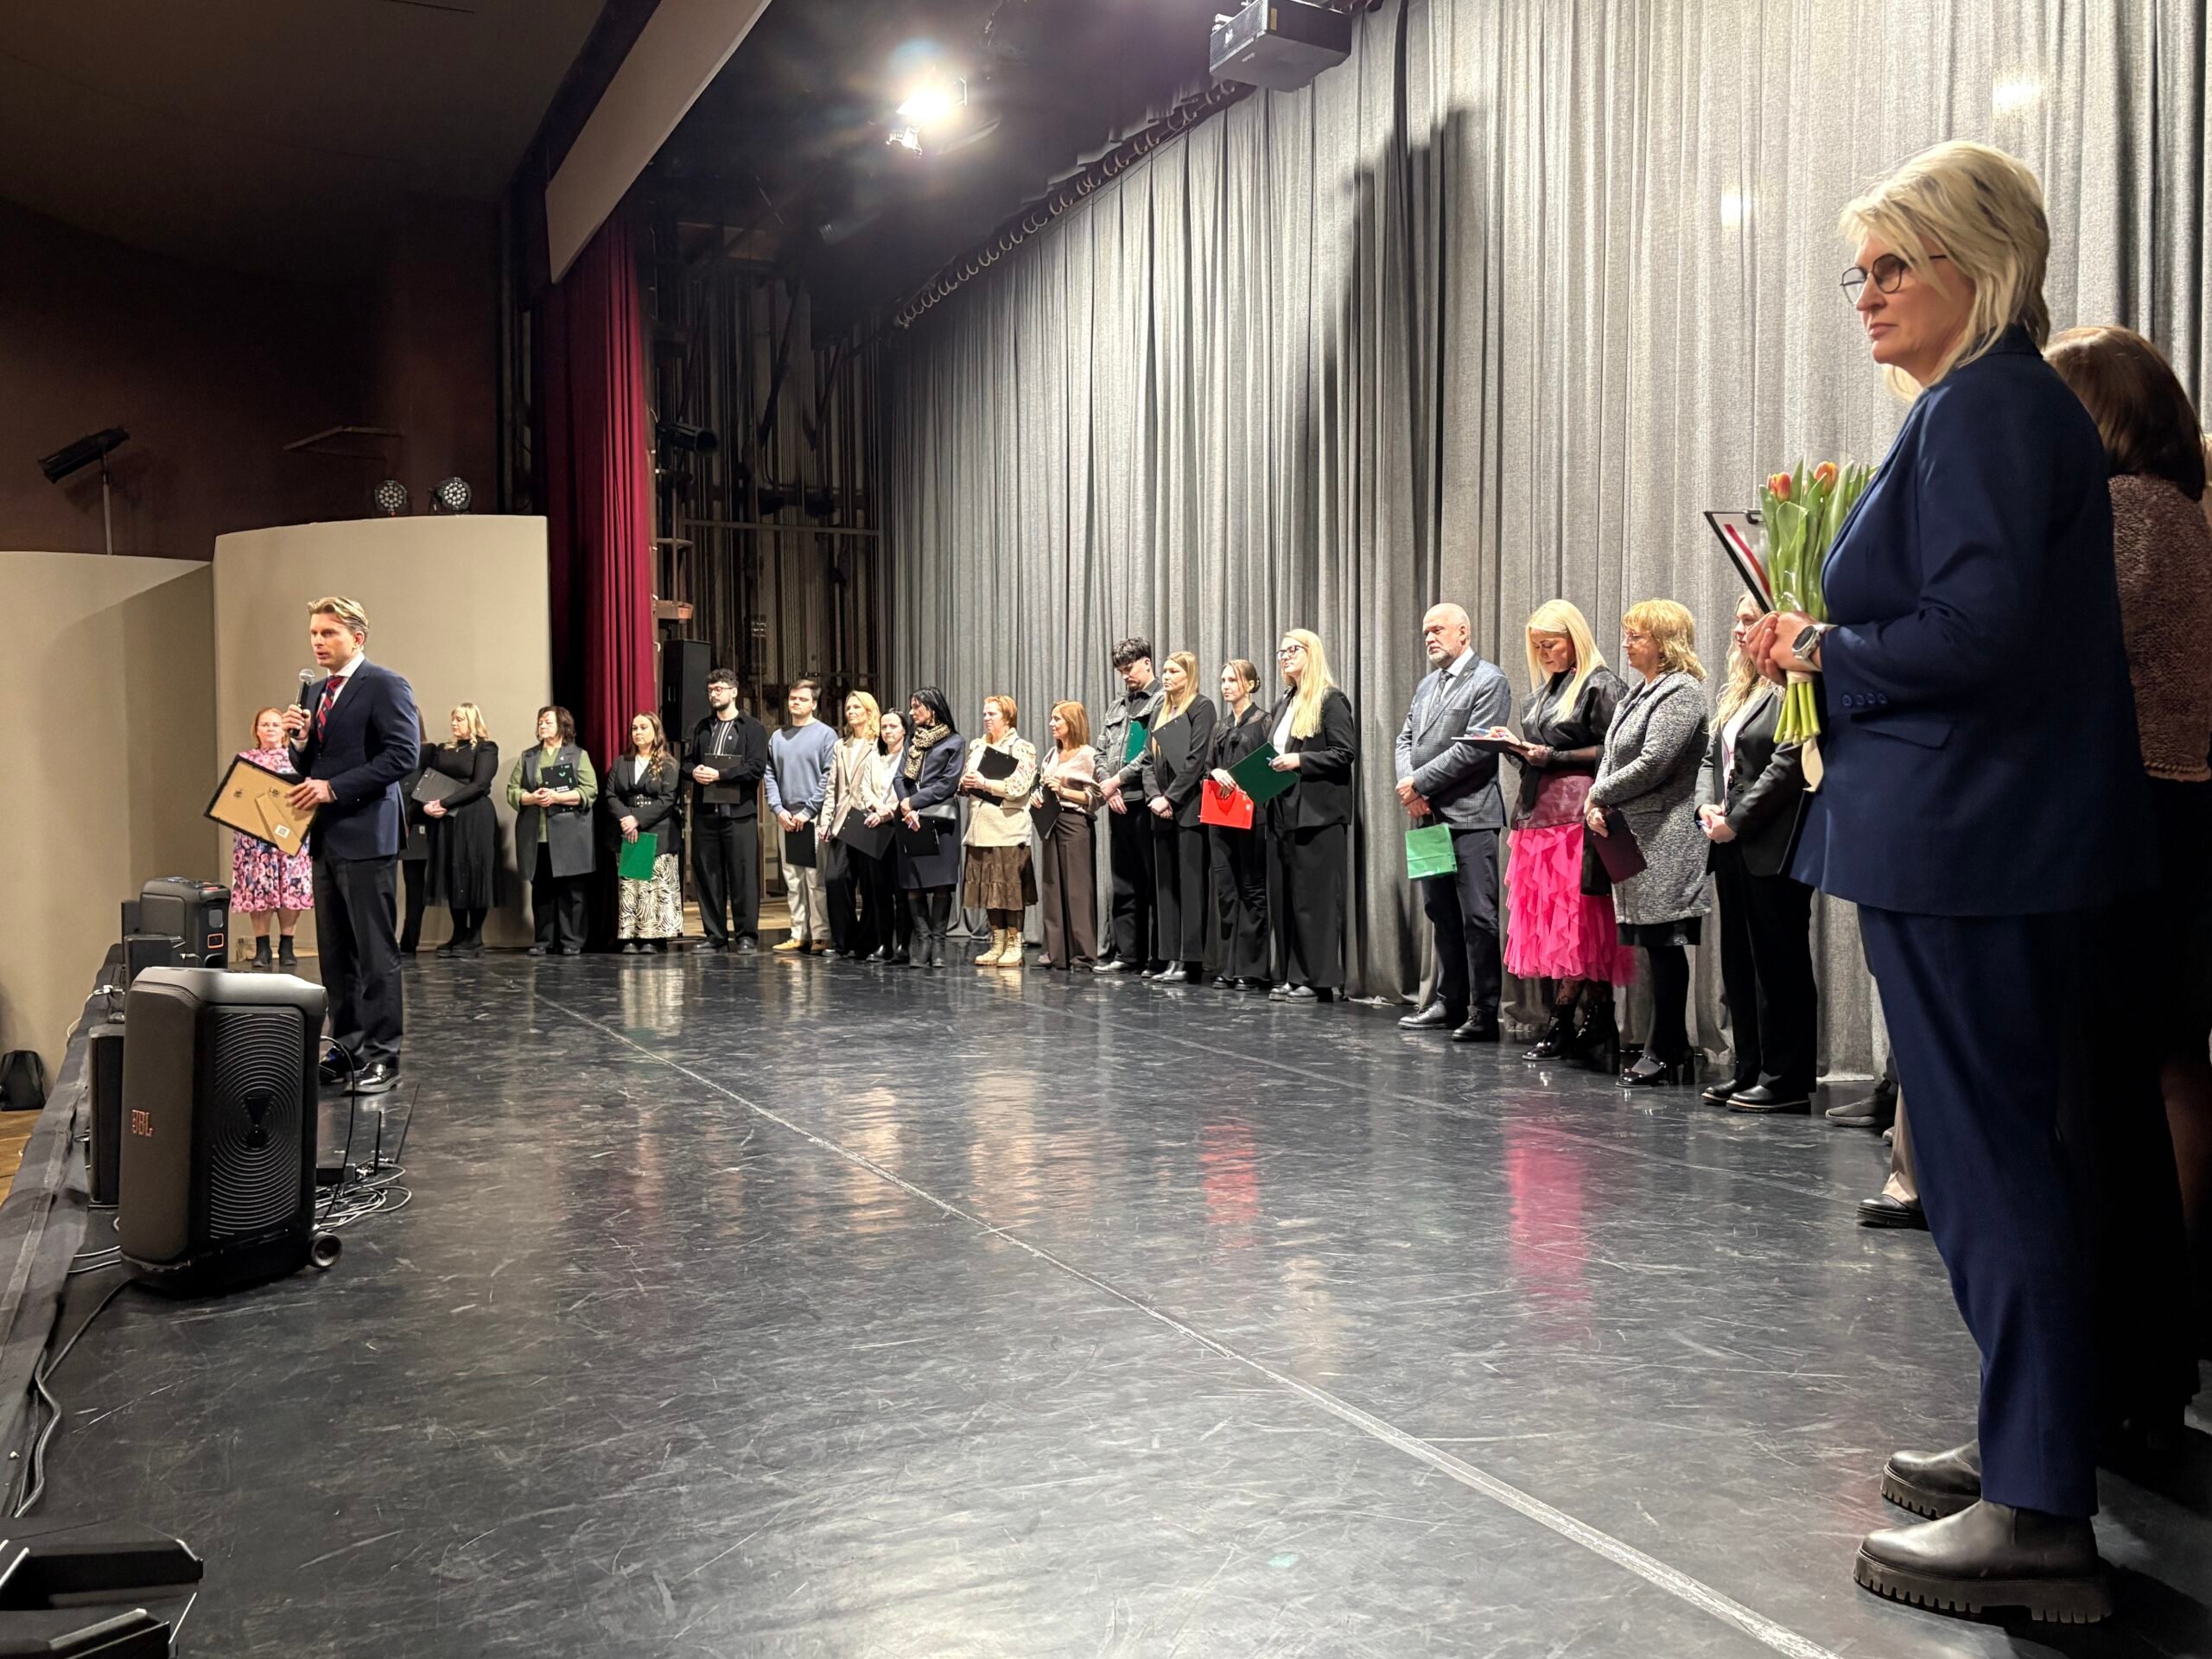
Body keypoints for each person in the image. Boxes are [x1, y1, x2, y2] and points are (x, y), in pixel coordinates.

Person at [1750, 142, 2149, 1621]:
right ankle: (2028, 1439)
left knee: (1987, 1164)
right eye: (1855, 273)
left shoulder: (1981, 407)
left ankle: (2037, 1512)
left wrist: (1822, 649)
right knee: (2006, 1154)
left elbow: (1974, 635)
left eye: (1890, 267)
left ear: (1977, 268)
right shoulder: (2002, 404)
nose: (1865, 295)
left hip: (1968, 838)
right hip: (1992, 835)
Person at [2046, 324, 2212, 1441]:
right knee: (2145, 1085)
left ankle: (2118, 1371)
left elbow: (2057, 661)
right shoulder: (2183, 513)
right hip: (2178, 814)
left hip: (2124, 816)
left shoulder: (2125, 517)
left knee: (2100, 1106)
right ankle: (2148, 1359)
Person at [282, 595, 419, 1096]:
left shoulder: (384, 684)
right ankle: (346, 1049)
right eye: (314, 633)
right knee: (336, 956)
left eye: (329, 633)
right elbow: (310, 767)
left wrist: (334, 788)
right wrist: (300, 744)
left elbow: (402, 755)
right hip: (327, 838)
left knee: (376, 953)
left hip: (367, 834)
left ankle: (383, 1056)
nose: (318, 642)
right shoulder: (317, 692)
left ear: (357, 638)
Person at [1500, 601, 1636, 1069]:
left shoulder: (1601, 684)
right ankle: (1596, 1017)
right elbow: (1542, 754)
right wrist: (1514, 748)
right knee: (1563, 923)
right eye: (1538, 646)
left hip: (1578, 816)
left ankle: (1566, 1020)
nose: (1544, 653)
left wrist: (1552, 757)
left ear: (1574, 638)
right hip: (1539, 816)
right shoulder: (1544, 692)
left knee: (1579, 922)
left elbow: (1615, 749)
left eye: (1551, 644)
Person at [1696, 594, 1816, 1113]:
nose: (1739, 629)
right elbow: (1711, 758)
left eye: (1749, 619)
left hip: (1773, 842)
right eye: (1737, 620)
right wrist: (1705, 806)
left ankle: (1786, 1078)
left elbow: (1788, 765)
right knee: (1739, 962)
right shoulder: (1740, 690)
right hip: (1729, 841)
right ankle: (1748, 1068)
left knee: (1779, 962)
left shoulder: (1797, 686)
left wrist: (1737, 821)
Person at [1586, 600, 1708, 1087]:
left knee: (1664, 943)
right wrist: (1598, 799)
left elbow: (1655, 761)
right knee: (1651, 943)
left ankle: (1666, 1047)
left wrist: (1598, 793)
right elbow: (1610, 755)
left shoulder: (1682, 691)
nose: (1627, 644)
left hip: (1667, 837)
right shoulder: (1639, 691)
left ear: (1664, 642)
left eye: (1636, 636)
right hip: (1634, 834)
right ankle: (1667, 1043)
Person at [1393, 603, 1513, 1040]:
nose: (1430, 638)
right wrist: (1410, 785)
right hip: (1427, 818)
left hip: (1471, 816)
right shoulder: (1427, 684)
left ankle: (1484, 1011)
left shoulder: (1490, 680)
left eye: (1438, 630)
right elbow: (1405, 738)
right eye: (1426, 631)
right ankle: (1449, 1001)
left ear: (1463, 631)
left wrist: (1419, 783)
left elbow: (1475, 749)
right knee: (1439, 912)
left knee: (1478, 917)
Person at [1263, 629, 1357, 1002]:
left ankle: (1317, 979)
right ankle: (1292, 974)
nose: (1285, 656)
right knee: (1286, 897)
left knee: (1314, 900)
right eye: (1281, 651)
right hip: (1282, 810)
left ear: (1311, 652)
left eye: (1293, 650)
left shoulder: (1330, 699)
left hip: (1318, 815)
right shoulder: (1284, 702)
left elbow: (1344, 753)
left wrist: (1299, 760)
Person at [1140, 652, 1217, 983]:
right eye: (1165, 671)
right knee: (1166, 887)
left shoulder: (1201, 707)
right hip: (1161, 810)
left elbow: (1196, 760)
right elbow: (1146, 760)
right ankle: (1169, 957)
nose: (1167, 676)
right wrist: (1154, 797)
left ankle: (1190, 961)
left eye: (1174, 671)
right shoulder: (1160, 709)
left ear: (1189, 674)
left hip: (1189, 810)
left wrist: (1171, 797)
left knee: (1190, 885)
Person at [1091, 638, 1166, 973]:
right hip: (1117, 802)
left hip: (1146, 801)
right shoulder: (1116, 707)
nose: (1125, 676)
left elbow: (1151, 751)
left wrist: (1117, 781)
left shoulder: (1162, 700)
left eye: (1130, 668)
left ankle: (1156, 957)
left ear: (1147, 663)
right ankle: (1127, 954)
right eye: (1121, 671)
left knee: (1152, 881)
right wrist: (1108, 787)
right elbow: (1100, 752)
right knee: (1123, 882)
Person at [688, 668, 769, 952]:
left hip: (739, 814)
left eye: (719, 689)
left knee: (743, 875)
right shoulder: (702, 727)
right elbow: (687, 762)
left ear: (734, 692)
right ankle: (715, 935)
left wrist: (721, 775)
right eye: (711, 690)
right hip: (706, 813)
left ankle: (746, 935)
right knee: (708, 874)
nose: (714, 694)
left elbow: (756, 768)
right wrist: (694, 771)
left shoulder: (752, 728)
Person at [507, 705, 596, 956]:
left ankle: (572, 940)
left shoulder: (577, 755)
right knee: (542, 888)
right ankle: (543, 940)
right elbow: (512, 790)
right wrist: (531, 798)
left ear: (562, 726)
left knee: (571, 890)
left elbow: (589, 790)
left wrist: (558, 797)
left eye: (548, 722)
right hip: (537, 834)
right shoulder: (528, 756)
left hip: (569, 834)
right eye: (540, 722)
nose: (542, 726)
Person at [960, 694, 1040, 967]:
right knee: (988, 889)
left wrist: (985, 783)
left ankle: (1014, 944)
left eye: (992, 714)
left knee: (1010, 890)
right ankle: (997, 942)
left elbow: (1019, 787)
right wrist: (965, 783)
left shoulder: (1022, 748)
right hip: (979, 829)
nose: (986, 718)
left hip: (1007, 828)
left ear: (1007, 717)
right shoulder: (978, 746)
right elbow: (968, 780)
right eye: (984, 713)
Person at [231, 707, 313, 971]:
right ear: (256, 730)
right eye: (264, 724)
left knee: (290, 887)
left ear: (284, 730)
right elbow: (235, 796)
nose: (270, 729)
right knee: (259, 888)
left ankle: (287, 944)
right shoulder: (245, 759)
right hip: (254, 837)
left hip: (289, 833)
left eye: (275, 724)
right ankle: (262, 947)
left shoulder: (297, 760)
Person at [1206, 661, 1271, 990]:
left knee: (1252, 887)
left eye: (1233, 679)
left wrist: (1246, 780)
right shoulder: (1220, 726)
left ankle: (1252, 968)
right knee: (1226, 889)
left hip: (1252, 813)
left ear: (1251, 683)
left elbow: (1271, 766)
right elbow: (1208, 766)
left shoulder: (1264, 722)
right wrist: (1216, 772)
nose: (1226, 685)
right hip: (1221, 814)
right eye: (1223, 680)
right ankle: (1227, 966)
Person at [893, 688, 964, 968]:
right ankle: (922, 942)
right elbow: (900, 778)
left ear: (932, 709)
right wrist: (906, 806)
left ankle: (938, 944)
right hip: (910, 819)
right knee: (914, 881)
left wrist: (914, 802)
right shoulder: (912, 740)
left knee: (942, 881)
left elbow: (948, 784)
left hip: (940, 818)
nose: (912, 712)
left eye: (916, 707)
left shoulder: (955, 742)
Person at [422, 703, 499, 957]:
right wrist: (428, 805)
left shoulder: (486, 748)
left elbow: (480, 785)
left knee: (474, 872)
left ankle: (475, 937)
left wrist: (444, 803)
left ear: (473, 721)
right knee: (452, 871)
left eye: (460, 719)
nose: (454, 723)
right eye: (453, 719)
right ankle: (458, 933)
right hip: (447, 818)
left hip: (474, 816)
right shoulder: (443, 749)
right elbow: (430, 779)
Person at [766, 679, 837, 955]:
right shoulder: (778, 737)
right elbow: (769, 776)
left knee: (814, 879)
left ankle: (821, 934)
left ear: (814, 704)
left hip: (813, 818)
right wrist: (778, 809)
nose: (795, 702)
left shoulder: (825, 735)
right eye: (793, 698)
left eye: (802, 699)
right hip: (787, 816)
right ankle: (799, 933)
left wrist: (808, 812)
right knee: (793, 879)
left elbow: (828, 776)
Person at [605, 711, 684, 953]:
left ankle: (654, 939)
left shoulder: (669, 764)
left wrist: (638, 820)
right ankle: (630, 937)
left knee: (655, 886)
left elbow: (667, 799)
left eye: (643, 727)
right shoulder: (622, 763)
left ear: (655, 732)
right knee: (632, 886)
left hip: (658, 831)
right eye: (634, 728)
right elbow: (611, 795)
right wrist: (627, 820)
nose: (638, 732)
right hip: (628, 832)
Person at [819, 691, 887, 959]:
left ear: (869, 711)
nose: (851, 712)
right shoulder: (841, 745)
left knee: (870, 885)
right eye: (848, 708)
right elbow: (832, 787)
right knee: (835, 879)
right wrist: (825, 820)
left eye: (857, 707)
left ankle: (866, 942)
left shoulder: (879, 743)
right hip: (842, 821)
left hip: (868, 819)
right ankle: (842, 940)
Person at [1033, 702, 1101, 970]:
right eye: (1052, 718)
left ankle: (1083, 956)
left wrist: (1063, 791)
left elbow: (1095, 798)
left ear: (1072, 722)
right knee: (1052, 888)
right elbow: (1042, 784)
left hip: (1075, 823)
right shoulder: (1053, 753)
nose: (1052, 724)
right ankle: (1055, 954)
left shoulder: (1087, 755)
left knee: (1077, 890)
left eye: (1057, 719)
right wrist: (1038, 796)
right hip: (1051, 821)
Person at [862, 709, 912, 962]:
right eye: (884, 727)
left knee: (901, 892)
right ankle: (884, 944)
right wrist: (877, 808)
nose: (888, 731)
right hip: (876, 828)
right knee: (879, 891)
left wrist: (888, 813)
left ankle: (903, 945)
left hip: (900, 827)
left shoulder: (910, 757)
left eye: (893, 726)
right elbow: (865, 789)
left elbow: (908, 790)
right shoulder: (875, 757)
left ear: (904, 729)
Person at [397, 718, 432, 954]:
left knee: (415, 884)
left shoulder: (428, 752)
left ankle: (409, 940)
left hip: (415, 823)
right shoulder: (387, 749)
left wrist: (411, 812)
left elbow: (428, 785)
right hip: (388, 822)